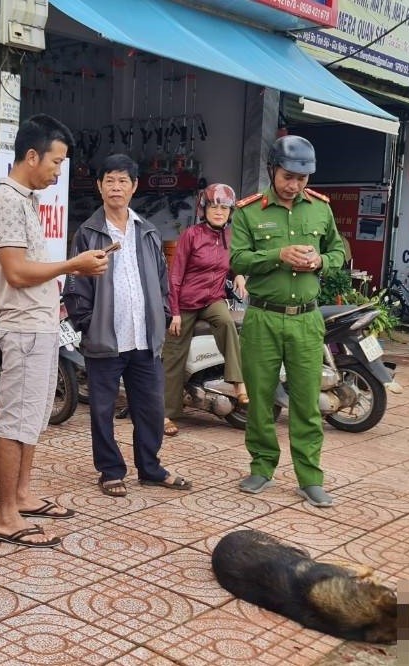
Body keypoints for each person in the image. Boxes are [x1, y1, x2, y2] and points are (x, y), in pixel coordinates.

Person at [0, 114, 108, 548]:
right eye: (55, 162)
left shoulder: (27, 200)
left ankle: (21, 495)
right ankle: (5, 516)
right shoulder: (6, 202)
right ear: (31, 156)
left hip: (40, 326)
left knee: (33, 417)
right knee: (15, 420)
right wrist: (74, 265)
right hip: (22, 329)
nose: (58, 171)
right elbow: (16, 272)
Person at [63, 153, 192, 498]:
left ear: (134, 187)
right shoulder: (88, 233)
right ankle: (110, 470)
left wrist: (161, 318)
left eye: (123, 181)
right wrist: (89, 325)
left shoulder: (147, 232)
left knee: (150, 408)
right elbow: (75, 285)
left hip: (144, 338)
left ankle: (150, 469)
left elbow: (163, 283)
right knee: (103, 410)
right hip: (106, 337)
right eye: (109, 180)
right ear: (99, 186)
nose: (116, 187)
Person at [229, 135, 345, 507]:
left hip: (306, 321)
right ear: (272, 170)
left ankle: (310, 476)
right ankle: (261, 468)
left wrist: (321, 262)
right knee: (261, 398)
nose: (294, 184)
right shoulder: (249, 211)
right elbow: (238, 260)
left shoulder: (320, 210)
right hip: (263, 317)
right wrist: (278, 254)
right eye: (287, 176)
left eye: (302, 178)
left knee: (307, 401)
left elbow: (340, 250)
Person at [162, 183, 248, 436]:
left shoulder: (230, 237)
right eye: (214, 206)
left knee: (227, 324)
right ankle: (166, 414)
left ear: (230, 212)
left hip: (213, 299)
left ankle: (237, 382)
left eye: (224, 207)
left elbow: (236, 262)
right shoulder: (191, 234)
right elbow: (175, 275)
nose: (219, 211)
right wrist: (174, 311)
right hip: (186, 301)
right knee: (174, 355)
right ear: (204, 209)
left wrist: (240, 275)